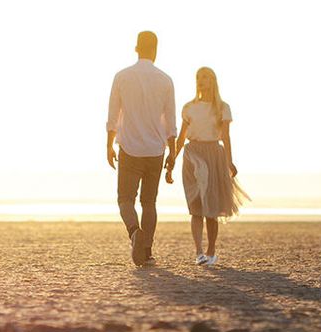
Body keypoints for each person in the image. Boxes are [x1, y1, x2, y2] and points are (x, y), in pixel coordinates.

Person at [106, 31, 177, 266]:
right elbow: (171, 122)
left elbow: (113, 114)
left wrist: (109, 144)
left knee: (125, 199)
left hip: (129, 147)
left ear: (136, 48)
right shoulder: (165, 80)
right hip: (156, 150)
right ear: (155, 50)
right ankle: (147, 252)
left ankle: (135, 232)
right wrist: (173, 151)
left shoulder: (122, 77)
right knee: (149, 202)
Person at [166, 66, 248, 266]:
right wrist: (172, 162)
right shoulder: (188, 107)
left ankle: (211, 250)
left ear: (213, 81)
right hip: (193, 155)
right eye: (199, 78)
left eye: (206, 77)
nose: (201, 81)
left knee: (211, 208)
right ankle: (199, 252)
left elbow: (226, 137)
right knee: (196, 207)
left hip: (213, 155)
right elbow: (181, 137)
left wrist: (229, 161)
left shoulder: (222, 107)